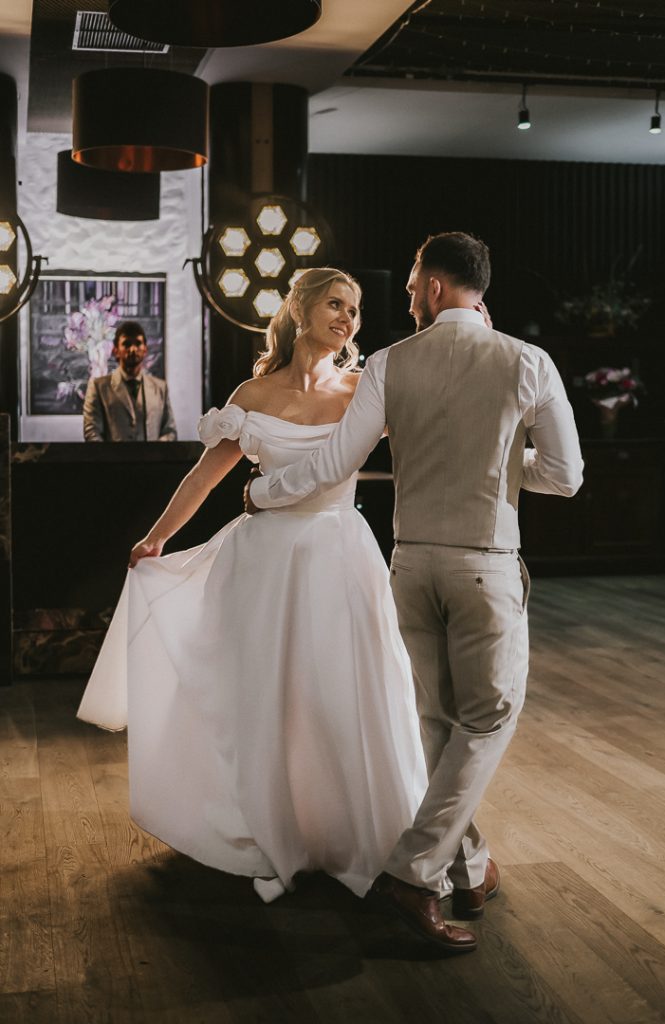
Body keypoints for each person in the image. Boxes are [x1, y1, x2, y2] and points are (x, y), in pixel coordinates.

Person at [247, 233, 584, 950]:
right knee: (488, 718)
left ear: (434, 286)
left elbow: (335, 462)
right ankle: (413, 874)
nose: (405, 303)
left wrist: (262, 491)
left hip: (409, 565)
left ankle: (470, 867)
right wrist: (500, 462)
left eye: (408, 289)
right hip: (484, 566)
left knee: (437, 721)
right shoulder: (527, 361)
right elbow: (565, 475)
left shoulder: (389, 363)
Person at [77, 269, 438, 924]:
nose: (348, 318)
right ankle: (279, 824)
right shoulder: (252, 395)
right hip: (264, 562)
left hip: (340, 557)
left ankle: (354, 828)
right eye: (335, 303)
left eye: (355, 309)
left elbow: (432, 434)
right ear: (300, 309)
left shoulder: (365, 390)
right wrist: (156, 538)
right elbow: (205, 476)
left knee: (343, 691)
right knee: (269, 695)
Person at [82, 320, 177, 442]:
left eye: (138, 343)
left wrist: (155, 451)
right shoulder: (99, 387)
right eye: (126, 344)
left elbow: (170, 431)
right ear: (116, 351)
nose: (132, 349)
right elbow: (92, 432)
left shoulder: (160, 388)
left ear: (145, 349)